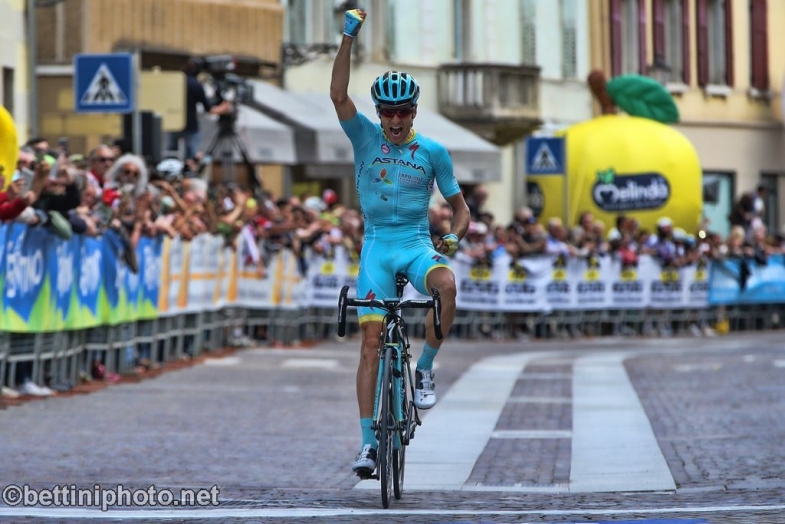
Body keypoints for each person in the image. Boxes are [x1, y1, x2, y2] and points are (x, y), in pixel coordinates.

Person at [330, 9, 471, 476]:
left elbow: (461, 208)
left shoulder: (432, 151)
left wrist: (452, 235)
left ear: (414, 111)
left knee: (447, 287)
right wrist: (348, 37)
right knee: (370, 342)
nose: (393, 120)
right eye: (387, 112)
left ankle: (426, 366)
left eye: (402, 112)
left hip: (414, 244)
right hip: (376, 247)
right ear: (379, 114)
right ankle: (369, 444)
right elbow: (336, 93)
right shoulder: (365, 138)